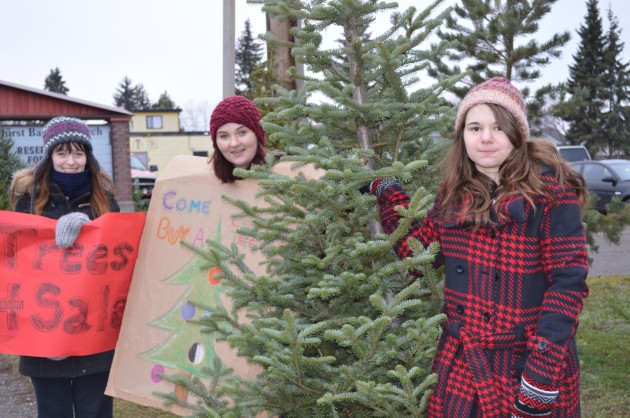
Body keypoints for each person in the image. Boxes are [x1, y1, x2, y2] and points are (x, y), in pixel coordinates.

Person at [365, 77, 589, 417]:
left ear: (518, 133)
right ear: (462, 136)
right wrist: (390, 193)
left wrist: (539, 376)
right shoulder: (453, 195)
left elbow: (568, 284)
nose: (485, 137)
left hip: (526, 364)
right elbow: (415, 254)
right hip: (463, 367)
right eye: (475, 127)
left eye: (498, 127)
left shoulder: (550, 195)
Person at [10, 116, 120, 418]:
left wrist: (90, 231)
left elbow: (118, 260)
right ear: (49, 156)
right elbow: (17, 265)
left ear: (88, 156)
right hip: (45, 331)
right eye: (62, 153)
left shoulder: (105, 201)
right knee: (53, 412)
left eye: (78, 153)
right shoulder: (30, 202)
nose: (71, 161)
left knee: (95, 411)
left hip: (94, 334)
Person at [209, 95, 267, 183]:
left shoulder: (285, 176)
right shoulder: (203, 181)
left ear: (257, 135)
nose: (234, 143)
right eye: (224, 136)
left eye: (242, 132)